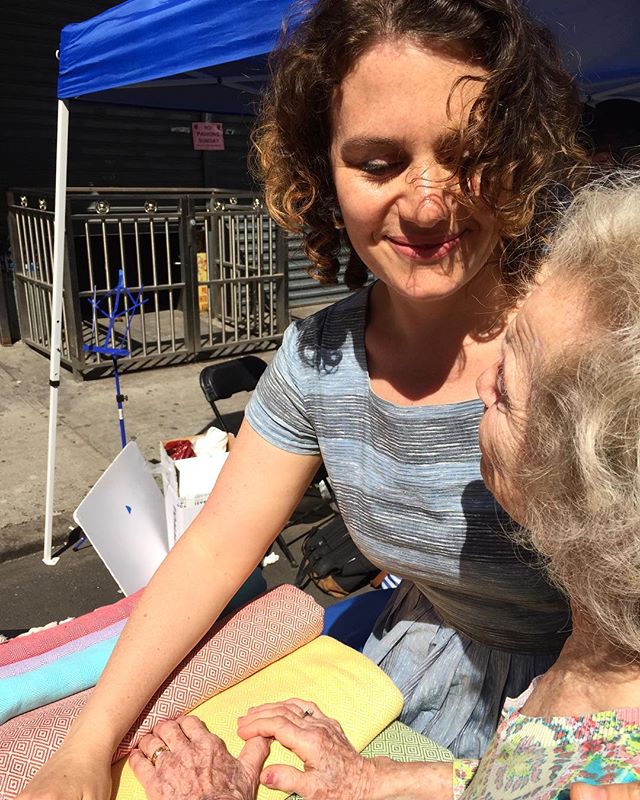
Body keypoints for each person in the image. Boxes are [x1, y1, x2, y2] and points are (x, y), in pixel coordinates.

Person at [18, 1, 585, 797]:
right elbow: (214, 549)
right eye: (380, 163)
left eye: (466, 156)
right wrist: (85, 744)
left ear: (521, 153)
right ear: (322, 174)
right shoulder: (318, 361)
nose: (427, 204)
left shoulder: (590, 345)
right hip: (408, 671)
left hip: (584, 707)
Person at [129, 174, 640, 800]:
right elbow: (517, 779)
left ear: (593, 477)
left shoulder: (607, 775)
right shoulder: (595, 697)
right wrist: (375, 778)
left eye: (506, 384)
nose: (481, 384)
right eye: (377, 163)